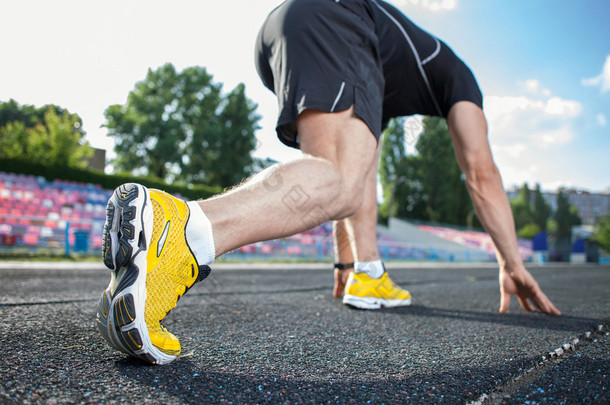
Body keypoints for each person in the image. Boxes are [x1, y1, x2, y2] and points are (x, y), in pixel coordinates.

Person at [96, 0, 560, 365]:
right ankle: (185, 226)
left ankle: (368, 275)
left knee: (350, 173)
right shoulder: (458, 77)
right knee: (338, 178)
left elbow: (365, 173)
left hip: (285, 28)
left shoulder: (382, 78)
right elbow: (481, 173)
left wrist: (349, 265)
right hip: (335, 17)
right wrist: (511, 261)